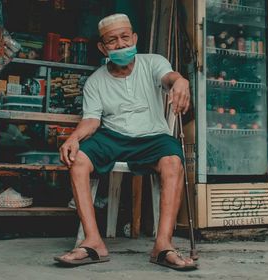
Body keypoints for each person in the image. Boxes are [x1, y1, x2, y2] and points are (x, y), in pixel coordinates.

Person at [54, 13, 197, 271]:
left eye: (124, 37)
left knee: (173, 161)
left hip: (153, 137)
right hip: (113, 136)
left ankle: (163, 245)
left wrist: (181, 81)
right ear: (102, 47)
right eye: (112, 40)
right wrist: (73, 138)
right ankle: (93, 242)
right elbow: (92, 121)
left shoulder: (153, 62)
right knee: (78, 160)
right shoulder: (96, 80)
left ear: (135, 38)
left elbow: (169, 78)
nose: (120, 44)